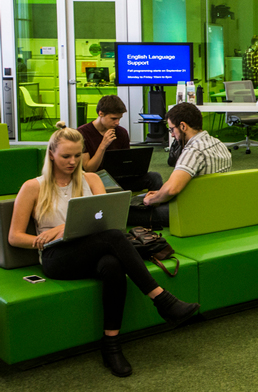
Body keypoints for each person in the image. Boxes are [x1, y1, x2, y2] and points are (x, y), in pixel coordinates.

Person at [8, 127, 199, 378]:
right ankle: (161, 300)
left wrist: (67, 227)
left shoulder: (92, 179)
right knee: (114, 238)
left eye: (77, 155)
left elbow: (108, 220)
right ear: (51, 154)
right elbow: (15, 237)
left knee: (113, 264)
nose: (73, 161)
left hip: (94, 250)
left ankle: (111, 345)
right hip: (57, 258)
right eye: (66, 156)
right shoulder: (33, 187)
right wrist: (49, 237)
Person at [139, 103, 232, 228]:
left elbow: (173, 189)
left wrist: (151, 200)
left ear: (183, 126)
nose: (172, 135)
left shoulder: (194, 151)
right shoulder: (218, 143)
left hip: (193, 212)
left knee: (131, 212)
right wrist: (160, 194)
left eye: (172, 129)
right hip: (218, 206)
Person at [78, 95, 162, 192]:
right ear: (101, 114)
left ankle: (153, 206)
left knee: (154, 177)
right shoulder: (82, 133)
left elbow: (126, 162)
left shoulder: (121, 132)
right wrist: (103, 145)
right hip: (97, 179)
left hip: (120, 178)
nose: (117, 123)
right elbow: (89, 169)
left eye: (119, 118)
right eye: (113, 119)